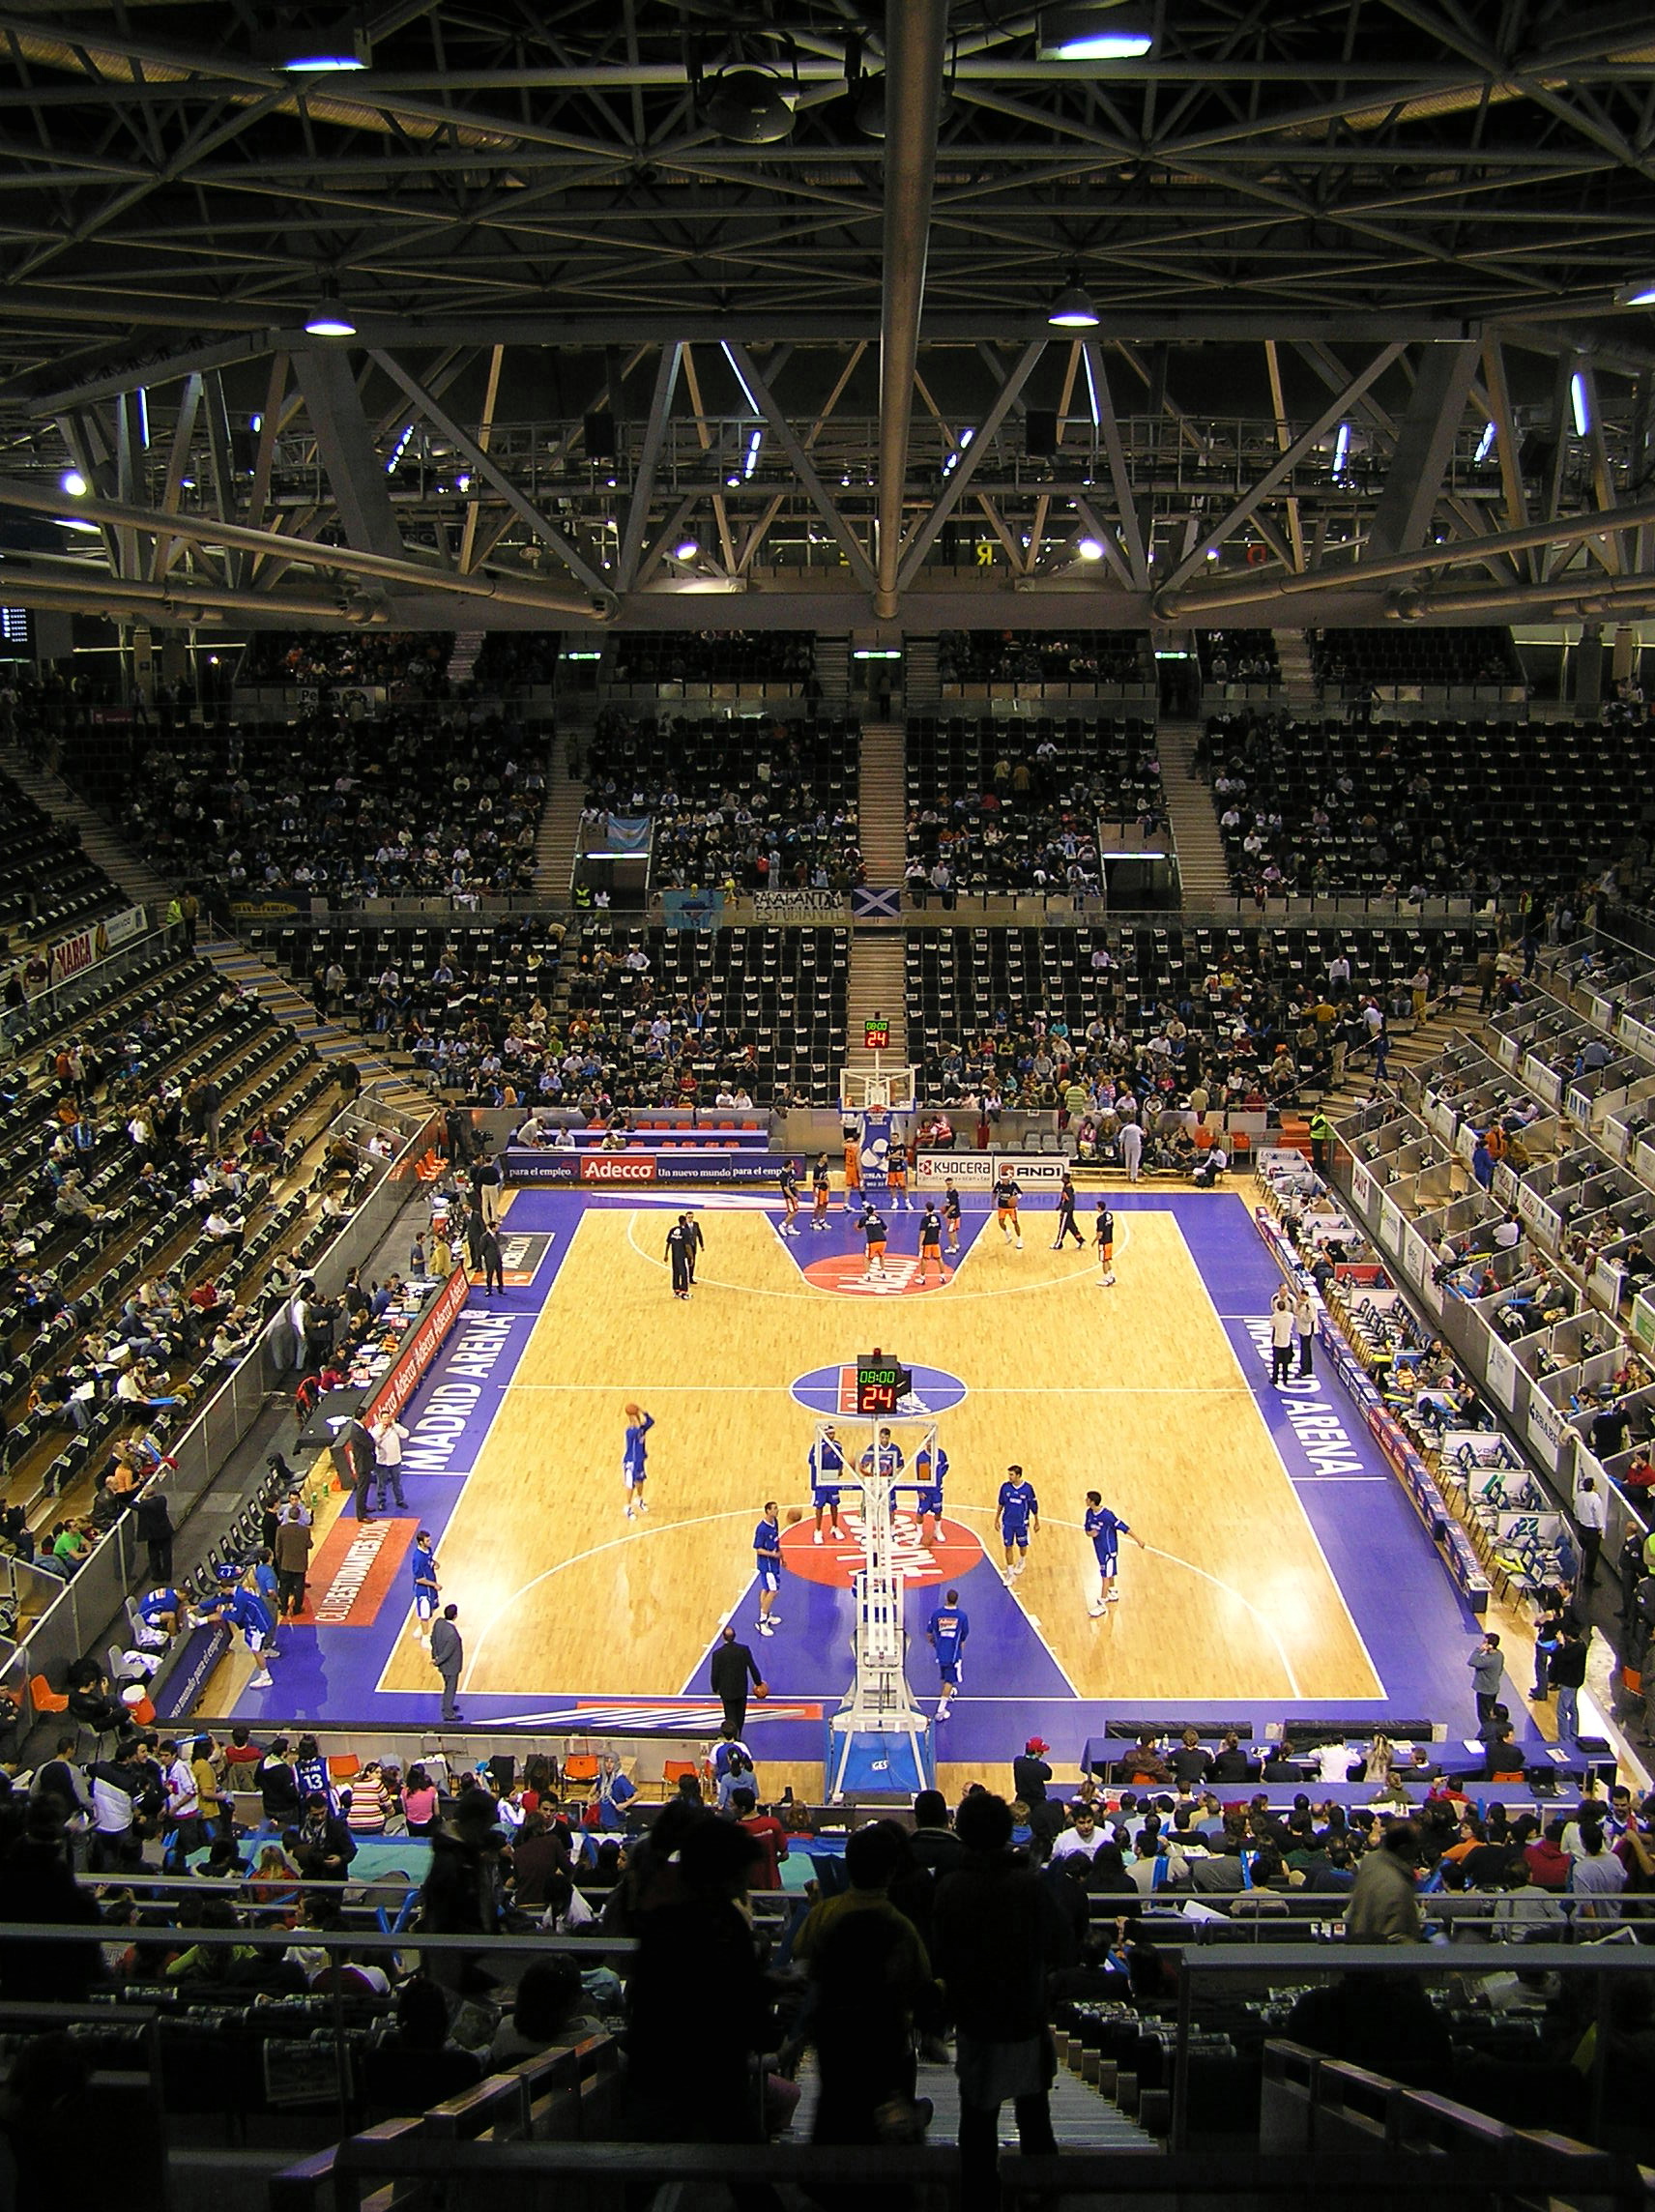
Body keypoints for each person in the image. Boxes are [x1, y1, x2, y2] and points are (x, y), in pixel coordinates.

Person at [932, 1791, 1075, 2212]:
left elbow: (940, 1954)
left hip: (975, 2024)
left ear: (961, 1833)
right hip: (1025, 2020)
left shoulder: (951, 1888)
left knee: (976, 2127)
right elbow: (1063, 1944)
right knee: (1035, 2123)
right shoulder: (1028, 1886)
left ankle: (978, 2202)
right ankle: (1045, 2202)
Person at [792, 1819, 938, 2147]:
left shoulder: (825, 1914)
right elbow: (922, 1978)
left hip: (833, 2041)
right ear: (891, 1871)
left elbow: (801, 1953)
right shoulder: (900, 1925)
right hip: (886, 2041)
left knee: (837, 2110)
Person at [1344, 1819, 1423, 1942]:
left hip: (1360, 1941)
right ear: (1404, 1848)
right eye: (1416, 1845)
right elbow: (1395, 1938)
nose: (1418, 1849)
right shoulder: (1397, 1887)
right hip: (1384, 1953)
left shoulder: (1370, 1860)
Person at [1084, 1491, 1146, 1614]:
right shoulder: (1089, 1513)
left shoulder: (1107, 1516)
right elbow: (1087, 1530)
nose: (1085, 1500)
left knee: (1105, 1575)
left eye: (1087, 1499)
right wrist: (1090, 1533)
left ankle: (1102, 1603)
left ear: (1092, 1502)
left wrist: (1138, 1539)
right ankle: (1112, 1592)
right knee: (1109, 1572)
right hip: (1099, 1549)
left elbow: (1123, 1527)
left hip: (1108, 1550)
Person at [709, 1624, 764, 1737]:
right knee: (740, 1715)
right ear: (735, 1636)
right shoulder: (744, 1650)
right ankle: (739, 1735)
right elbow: (752, 1667)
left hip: (726, 1692)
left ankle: (732, 1737)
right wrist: (758, 1683)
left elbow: (715, 1674)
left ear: (723, 1637)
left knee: (730, 1716)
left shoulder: (718, 1654)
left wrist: (715, 1688)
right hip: (740, 1690)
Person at [927, 1586, 969, 1720]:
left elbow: (929, 1633)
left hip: (941, 1651)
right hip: (953, 1653)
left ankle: (947, 1693)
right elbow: (964, 1635)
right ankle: (940, 1710)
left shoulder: (937, 1614)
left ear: (946, 1599)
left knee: (944, 1676)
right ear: (957, 1600)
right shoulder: (962, 1616)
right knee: (950, 1680)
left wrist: (935, 1644)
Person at [997, 1463, 1039, 1577]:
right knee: (1008, 1546)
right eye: (1009, 1474)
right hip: (1007, 1523)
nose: (1009, 1477)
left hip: (1021, 1523)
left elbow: (1033, 1505)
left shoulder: (1027, 1489)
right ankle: (1010, 1572)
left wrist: (1036, 1521)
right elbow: (1001, 1503)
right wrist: (996, 1519)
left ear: (1018, 1475)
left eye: (1012, 1475)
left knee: (1022, 1545)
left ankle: (1022, 1561)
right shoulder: (1005, 1487)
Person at [1550, 1621, 1588, 1742]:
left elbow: (1561, 1657)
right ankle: (1573, 1734)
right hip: (1575, 1681)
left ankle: (1564, 1739)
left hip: (1569, 1683)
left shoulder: (1575, 1649)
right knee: (1573, 1709)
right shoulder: (1581, 1645)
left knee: (1562, 1711)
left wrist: (1560, 1644)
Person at [273, 1502, 312, 1618]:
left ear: (288, 1516)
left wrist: (281, 1562)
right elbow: (309, 1545)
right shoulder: (304, 1531)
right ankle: (297, 1609)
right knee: (299, 1588)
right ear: (299, 1516)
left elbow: (278, 1549)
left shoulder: (281, 1530)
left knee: (284, 1587)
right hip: (300, 1564)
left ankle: (284, 1609)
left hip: (285, 1564)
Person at [752, 1500, 783, 1637]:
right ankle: (762, 1621)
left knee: (766, 1589)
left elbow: (776, 1541)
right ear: (768, 1511)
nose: (778, 1510)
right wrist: (773, 1554)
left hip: (774, 1562)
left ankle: (766, 1614)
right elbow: (758, 1549)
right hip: (767, 1564)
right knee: (774, 1590)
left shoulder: (775, 1522)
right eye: (775, 1508)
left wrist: (782, 1557)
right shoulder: (762, 1529)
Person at [810, 1425, 845, 1544]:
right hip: (821, 1480)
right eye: (830, 1434)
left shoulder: (838, 1446)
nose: (832, 1436)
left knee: (834, 1504)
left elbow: (841, 1460)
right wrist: (826, 1451)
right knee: (819, 1506)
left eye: (833, 1433)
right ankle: (818, 1530)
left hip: (833, 1479)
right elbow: (811, 1460)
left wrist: (840, 1469)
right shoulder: (817, 1446)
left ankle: (835, 1526)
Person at [430, 1602, 463, 1723]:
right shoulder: (452, 1635)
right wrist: (437, 1661)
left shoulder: (438, 1622)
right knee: (450, 1688)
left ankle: (448, 1705)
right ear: (455, 1615)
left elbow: (433, 1639)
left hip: (443, 1666)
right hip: (451, 1666)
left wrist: (434, 1656)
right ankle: (448, 1713)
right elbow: (447, 1653)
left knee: (447, 1686)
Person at [372, 1411, 410, 1512]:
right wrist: (382, 1433)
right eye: (384, 1418)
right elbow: (373, 1442)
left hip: (395, 1460)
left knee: (397, 1482)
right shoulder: (376, 1430)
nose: (386, 1420)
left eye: (388, 1417)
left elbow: (405, 1434)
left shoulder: (395, 1428)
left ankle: (399, 1500)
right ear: (380, 1419)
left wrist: (395, 1426)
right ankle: (381, 1502)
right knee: (381, 1483)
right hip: (382, 1462)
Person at [623, 1402, 653, 1520]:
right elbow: (636, 1430)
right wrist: (635, 1417)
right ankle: (628, 1507)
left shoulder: (641, 1429)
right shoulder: (630, 1431)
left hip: (639, 1461)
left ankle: (639, 1499)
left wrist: (641, 1410)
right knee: (630, 1485)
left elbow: (651, 1421)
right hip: (631, 1462)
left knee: (640, 1481)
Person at [1576, 1474, 1607, 1587]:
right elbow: (1598, 1516)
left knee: (1581, 1551)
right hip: (1592, 1531)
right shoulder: (1595, 1499)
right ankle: (1588, 1579)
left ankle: (1579, 1572)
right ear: (1593, 1486)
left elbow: (1576, 1510)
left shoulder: (1579, 1496)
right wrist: (1600, 1528)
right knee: (1591, 1556)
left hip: (1582, 1527)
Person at [1467, 1631, 1504, 1724]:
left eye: (1485, 1642)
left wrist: (1479, 1650)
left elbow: (1472, 1661)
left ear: (1490, 1646)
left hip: (1485, 1691)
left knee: (1484, 1717)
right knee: (1490, 1713)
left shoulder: (1488, 1660)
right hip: (1493, 1689)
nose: (1482, 1644)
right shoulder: (1499, 1655)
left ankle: (1487, 1734)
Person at [1268, 1285, 1295, 1386]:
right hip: (1286, 1341)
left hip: (1277, 1341)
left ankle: (1275, 1378)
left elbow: (1271, 1324)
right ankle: (1285, 1378)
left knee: (1276, 1362)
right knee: (1285, 1362)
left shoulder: (1275, 1317)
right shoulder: (1290, 1316)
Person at [993, 1168, 1024, 1249]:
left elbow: (1020, 1192)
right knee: (1001, 1223)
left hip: (1011, 1208)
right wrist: (993, 1202)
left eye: (1004, 1179)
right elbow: (994, 1193)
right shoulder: (999, 1184)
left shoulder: (1013, 1184)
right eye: (1002, 1179)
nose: (1003, 1180)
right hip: (1001, 1207)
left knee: (1015, 1222)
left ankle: (1019, 1240)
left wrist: (1016, 1197)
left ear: (1008, 1178)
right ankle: (1007, 1232)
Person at [858, 1201, 889, 1281]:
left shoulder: (864, 1219)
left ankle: (868, 1274)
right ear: (873, 1211)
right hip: (883, 1240)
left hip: (872, 1241)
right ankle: (883, 1272)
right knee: (881, 1256)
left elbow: (859, 1227)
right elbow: (886, 1229)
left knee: (867, 1258)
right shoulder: (879, 1218)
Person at [1052, 1174, 1084, 1251]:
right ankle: (1080, 1240)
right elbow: (1063, 1199)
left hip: (1067, 1211)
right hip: (1066, 1210)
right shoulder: (1066, 1187)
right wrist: (1059, 1206)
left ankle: (1059, 1243)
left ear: (1066, 1179)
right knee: (1070, 1226)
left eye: (1063, 1177)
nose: (1061, 1178)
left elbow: (1071, 1201)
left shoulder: (1068, 1189)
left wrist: (1066, 1211)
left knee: (1062, 1227)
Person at [665, 1217, 693, 1299]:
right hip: (682, 1256)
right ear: (684, 1221)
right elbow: (687, 1246)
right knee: (684, 1274)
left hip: (674, 1255)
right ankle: (684, 1293)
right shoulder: (685, 1232)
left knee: (675, 1273)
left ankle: (676, 1291)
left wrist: (666, 1254)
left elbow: (668, 1243)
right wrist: (691, 1257)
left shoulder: (673, 1230)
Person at [917, 1202, 945, 1284]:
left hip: (927, 1242)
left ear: (926, 1208)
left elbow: (923, 1232)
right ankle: (942, 1276)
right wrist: (937, 1239)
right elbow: (940, 1231)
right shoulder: (937, 1218)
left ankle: (922, 1278)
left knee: (925, 1259)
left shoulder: (925, 1219)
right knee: (939, 1258)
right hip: (935, 1242)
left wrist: (920, 1244)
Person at [1093, 1200, 1116, 1287]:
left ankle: (1106, 1279)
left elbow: (1100, 1234)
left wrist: (1094, 1241)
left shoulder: (1100, 1219)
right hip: (1110, 1240)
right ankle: (1112, 1275)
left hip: (1103, 1242)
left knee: (1103, 1261)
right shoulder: (1109, 1215)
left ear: (1099, 1208)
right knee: (1107, 1259)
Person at [777, 1159, 801, 1237]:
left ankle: (790, 1228)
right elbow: (786, 1188)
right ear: (789, 1165)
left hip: (793, 1194)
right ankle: (783, 1225)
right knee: (794, 1212)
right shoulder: (783, 1175)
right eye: (792, 1163)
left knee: (791, 1212)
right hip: (789, 1197)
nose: (794, 1164)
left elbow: (792, 1183)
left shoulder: (790, 1172)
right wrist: (792, 1197)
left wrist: (797, 1192)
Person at [1294, 1290, 1315, 1379]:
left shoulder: (1309, 1305)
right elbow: (1295, 1311)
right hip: (1301, 1329)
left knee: (1305, 1350)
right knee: (1306, 1349)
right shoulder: (1301, 1303)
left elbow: (1311, 1318)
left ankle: (1304, 1369)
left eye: (1300, 1295)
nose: (1299, 1296)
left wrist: (1301, 1316)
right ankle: (1308, 1368)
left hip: (1306, 1330)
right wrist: (1298, 1306)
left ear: (1304, 1295)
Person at [479, 1225, 504, 1295]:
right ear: (492, 1228)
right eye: (496, 1227)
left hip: (498, 1257)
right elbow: (481, 1248)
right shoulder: (485, 1237)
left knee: (499, 1272)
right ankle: (488, 1289)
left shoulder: (497, 1234)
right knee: (490, 1274)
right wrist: (487, 1255)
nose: (498, 1228)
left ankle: (500, 1288)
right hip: (490, 1259)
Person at [811, 1154, 832, 1231]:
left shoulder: (825, 1166)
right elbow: (814, 1181)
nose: (826, 1158)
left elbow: (825, 1176)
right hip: (818, 1188)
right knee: (818, 1206)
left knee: (825, 1204)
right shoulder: (816, 1168)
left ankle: (822, 1220)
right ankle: (813, 1221)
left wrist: (828, 1183)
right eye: (825, 1157)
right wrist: (823, 1181)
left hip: (825, 1188)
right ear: (820, 1158)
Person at [943, 1178, 963, 1255]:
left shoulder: (953, 1193)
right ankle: (956, 1244)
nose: (949, 1185)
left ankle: (952, 1247)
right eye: (947, 1184)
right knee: (953, 1230)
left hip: (953, 1215)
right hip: (954, 1214)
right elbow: (949, 1203)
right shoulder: (948, 1192)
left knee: (950, 1231)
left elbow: (953, 1205)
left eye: (950, 1184)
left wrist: (947, 1213)